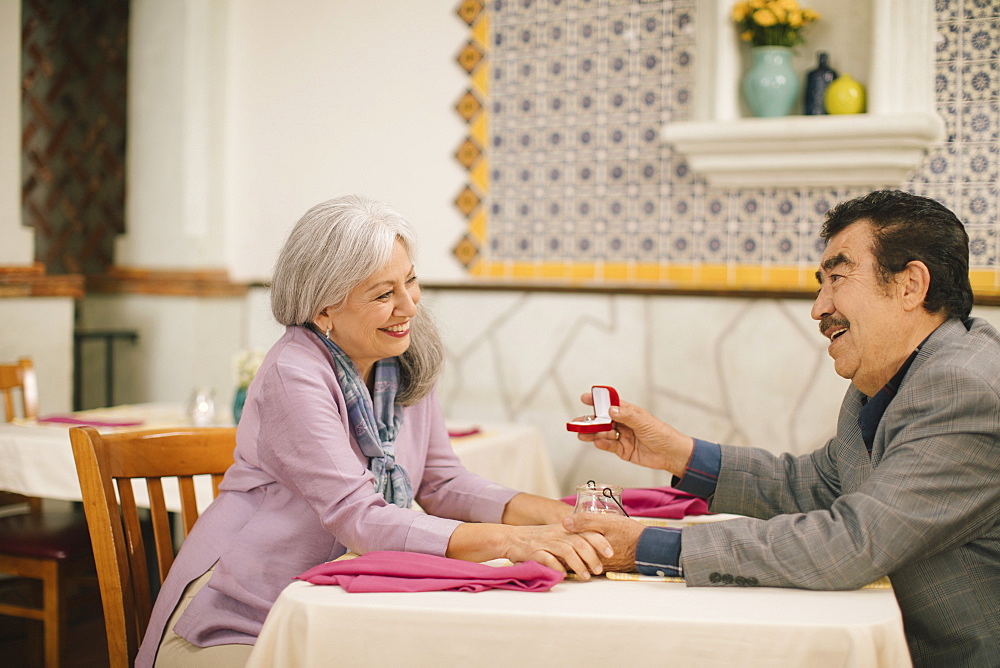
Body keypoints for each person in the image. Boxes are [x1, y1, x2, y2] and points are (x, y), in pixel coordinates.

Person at [138, 195, 609, 667]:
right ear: (323, 310)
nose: (409, 306)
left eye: (410, 282)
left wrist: (565, 518)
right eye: (383, 294)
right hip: (245, 612)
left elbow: (442, 483)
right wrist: (510, 541)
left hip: (341, 604)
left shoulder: (401, 357)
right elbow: (357, 517)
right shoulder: (294, 373)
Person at [564, 190, 1000, 667]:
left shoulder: (963, 388)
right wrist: (678, 454)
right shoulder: (890, 378)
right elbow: (817, 483)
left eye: (836, 278)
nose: (818, 308)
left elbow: (851, 541)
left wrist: (646, 547)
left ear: (910, 285)